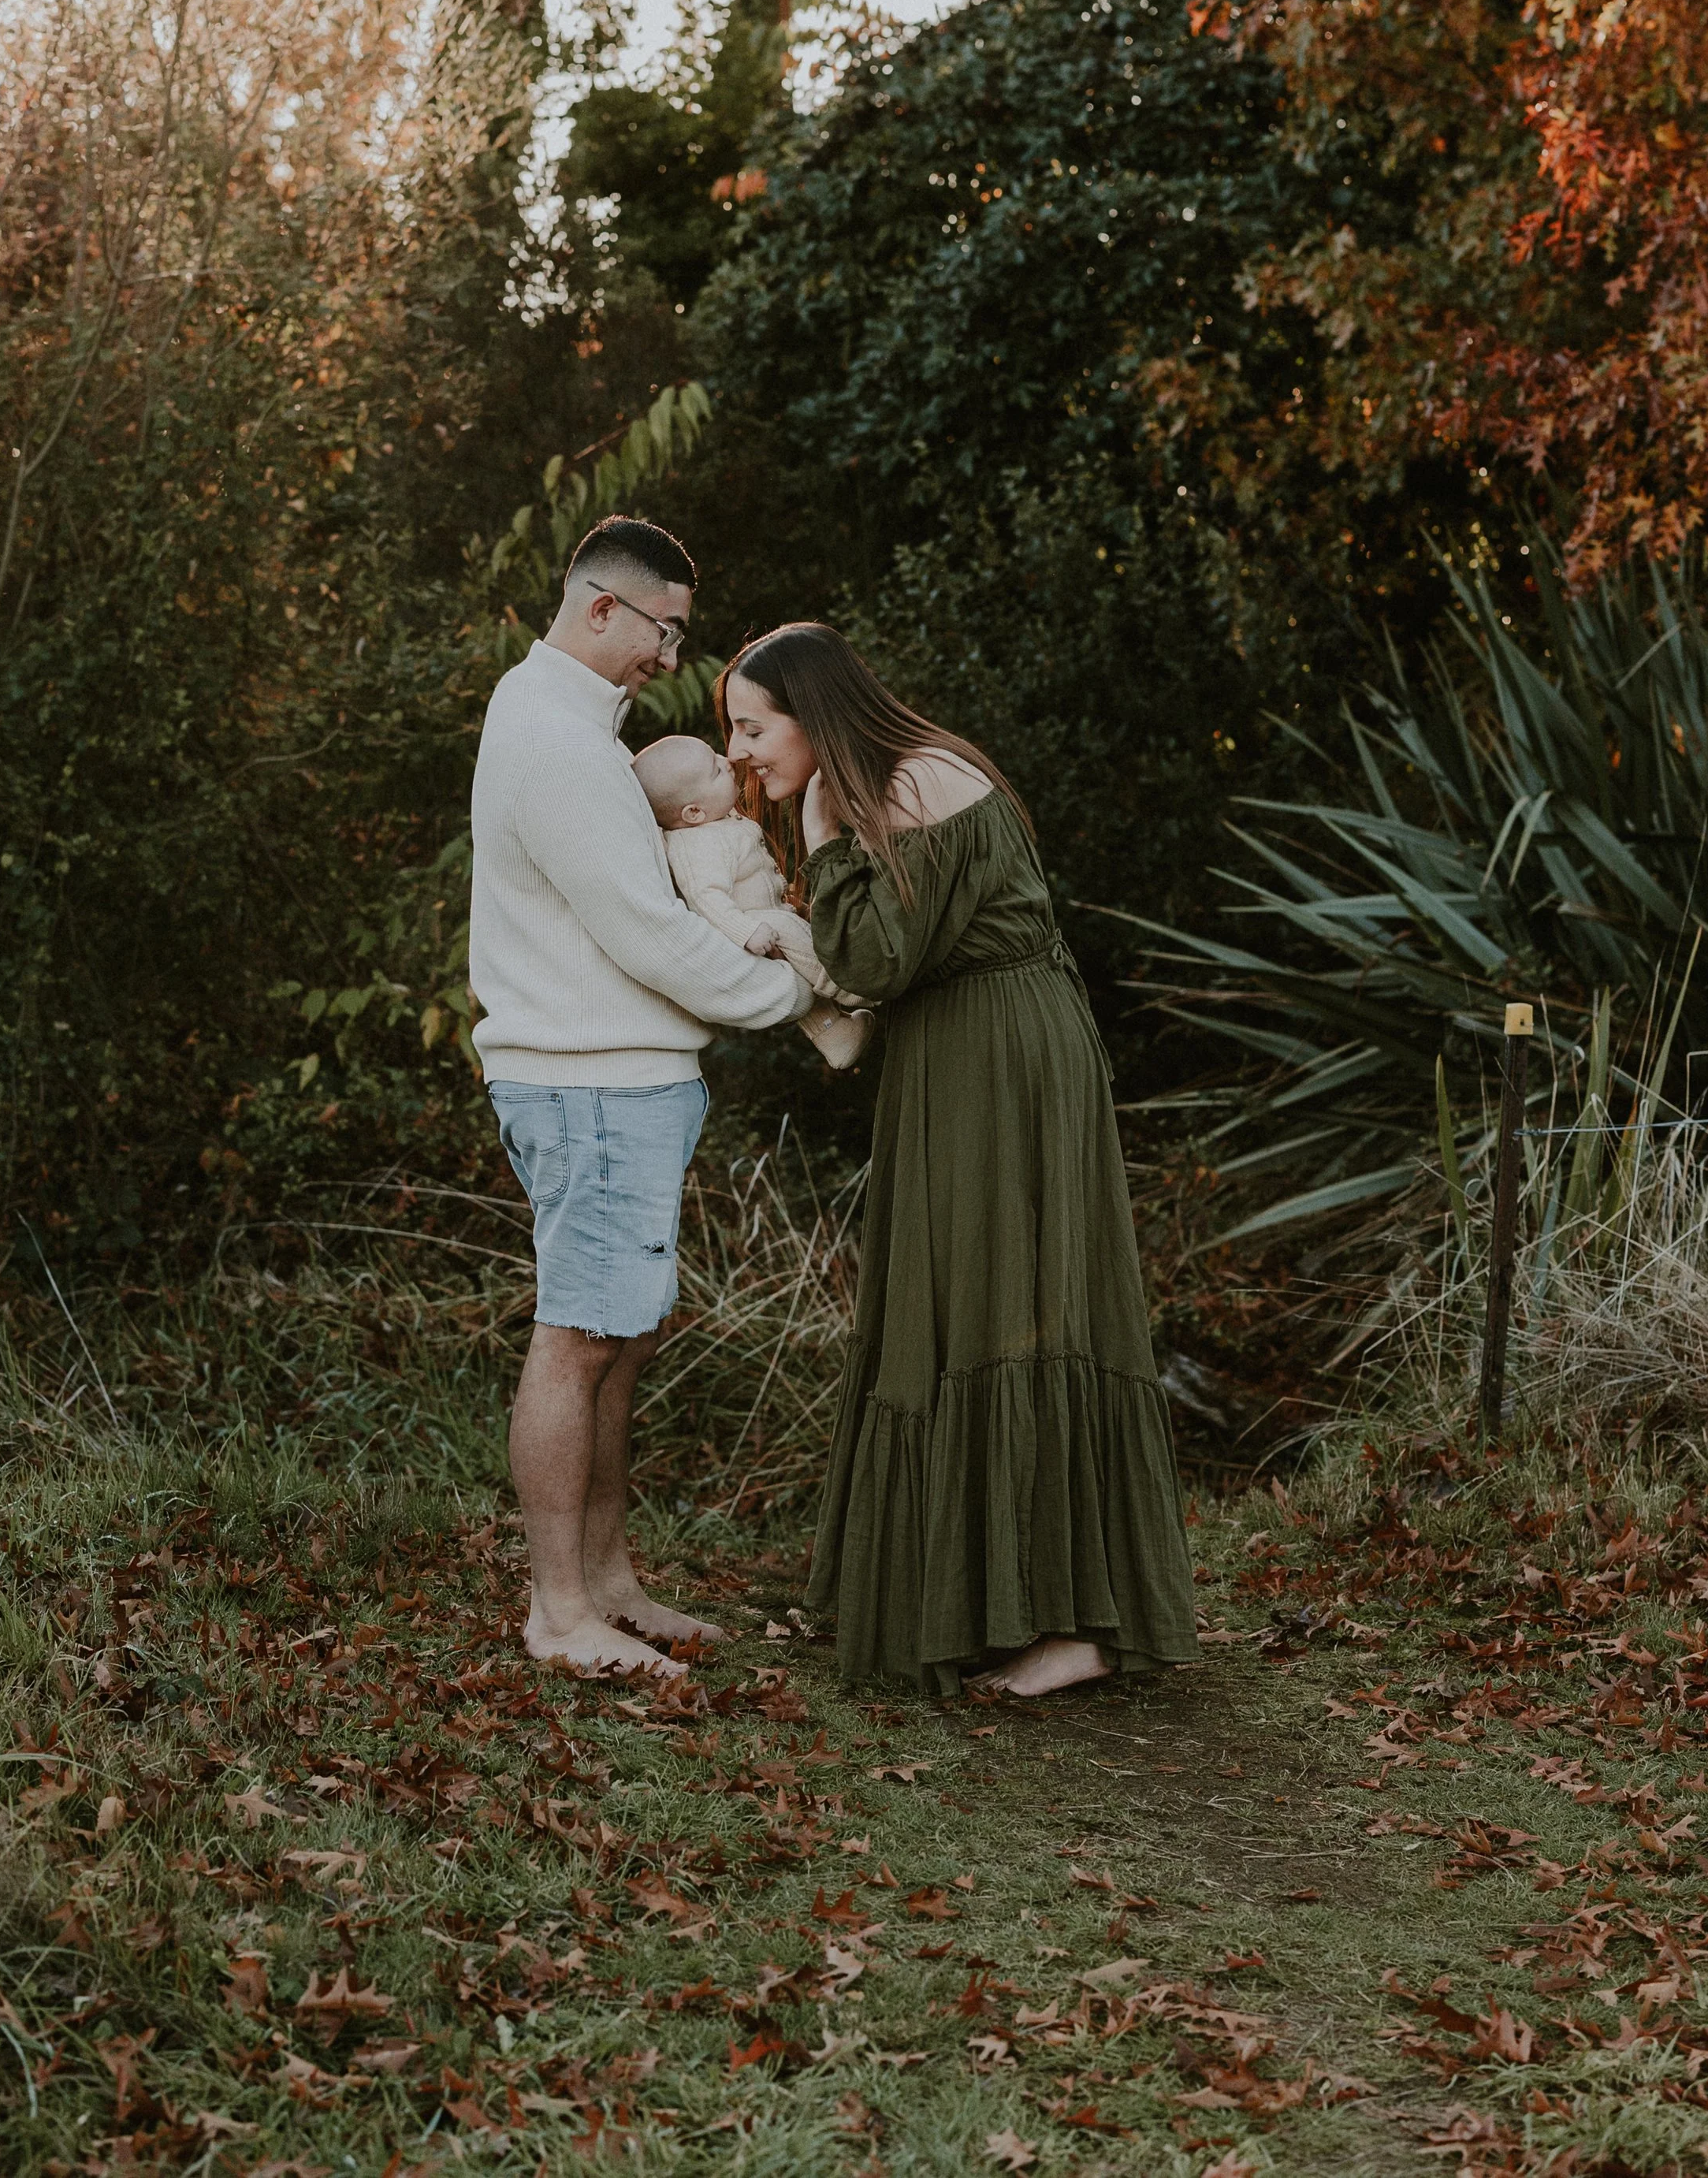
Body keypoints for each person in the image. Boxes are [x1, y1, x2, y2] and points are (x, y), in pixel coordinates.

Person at [721, 624, 1197, 1699]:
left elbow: (871, 958)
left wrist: (817, 826)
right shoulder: (896, 783)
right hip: (961, 1051)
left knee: (1015, 1304)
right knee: (963, 1308)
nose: (741, 750)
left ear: (817, 714)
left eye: (754, 726)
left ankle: (1079, 1623)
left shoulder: (920, 780)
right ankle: (989, 1603)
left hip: (1006, 1054)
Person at [469, 516, 813, 1681]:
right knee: (578, 1336)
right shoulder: (556, 740)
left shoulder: (577, 722)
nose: (674, 656)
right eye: (665, 630)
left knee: (619, 1334)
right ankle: (559, 1610)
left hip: (621, 1078)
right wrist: (800, 998)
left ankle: (607, 1581)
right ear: (601, 605)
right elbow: (649, 936)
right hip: (587, 1081)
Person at [631, 732, 874, 1072]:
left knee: (797, 956)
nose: (727, 761)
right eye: (715, 770)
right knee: (800, 942)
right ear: (694, 812)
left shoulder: (715, 824)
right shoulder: (696, 846)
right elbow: (706, 898)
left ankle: (835, 1034)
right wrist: (746, 931)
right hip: (759, 924)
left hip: (768, 914)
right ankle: (854, 984)